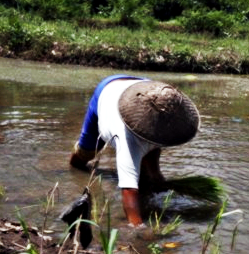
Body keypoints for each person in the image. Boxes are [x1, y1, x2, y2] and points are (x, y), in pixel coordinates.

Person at [69, 74, 200, 227]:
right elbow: (129, 190)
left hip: (146, 88)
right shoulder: (128, 140)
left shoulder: (163, 107)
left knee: (152, 174)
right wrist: (138, 229)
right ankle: (72, 167)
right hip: (107, 91)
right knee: (85, 156)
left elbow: (154, 171)